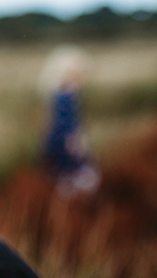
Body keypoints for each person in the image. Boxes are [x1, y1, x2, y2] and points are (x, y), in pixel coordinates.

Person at [38, 45, 101, 198]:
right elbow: (66, 122)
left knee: (67, 174)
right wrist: (75, 139)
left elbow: (50, 121)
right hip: (67, 140)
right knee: (81, 177)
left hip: (59, 139)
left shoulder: (57, 92)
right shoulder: (66, 95)